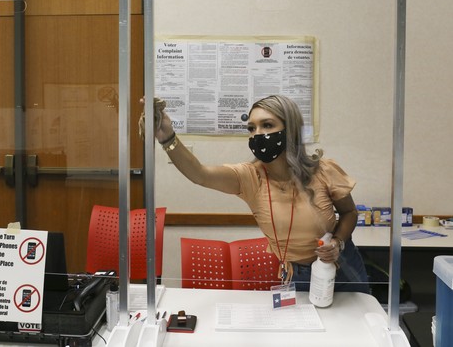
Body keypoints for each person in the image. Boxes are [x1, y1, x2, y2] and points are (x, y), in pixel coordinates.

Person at [152, 94, 369, 293]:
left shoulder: (323, 171)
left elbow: (349, 212)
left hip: (343, 266)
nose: (258, 134)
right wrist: (167, 138)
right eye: (251, 128)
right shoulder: (250, 177)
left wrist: (338, 242)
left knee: (358, 326)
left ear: (290, 129)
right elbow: (200, 174)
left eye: (267, 125)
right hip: (298, 273)